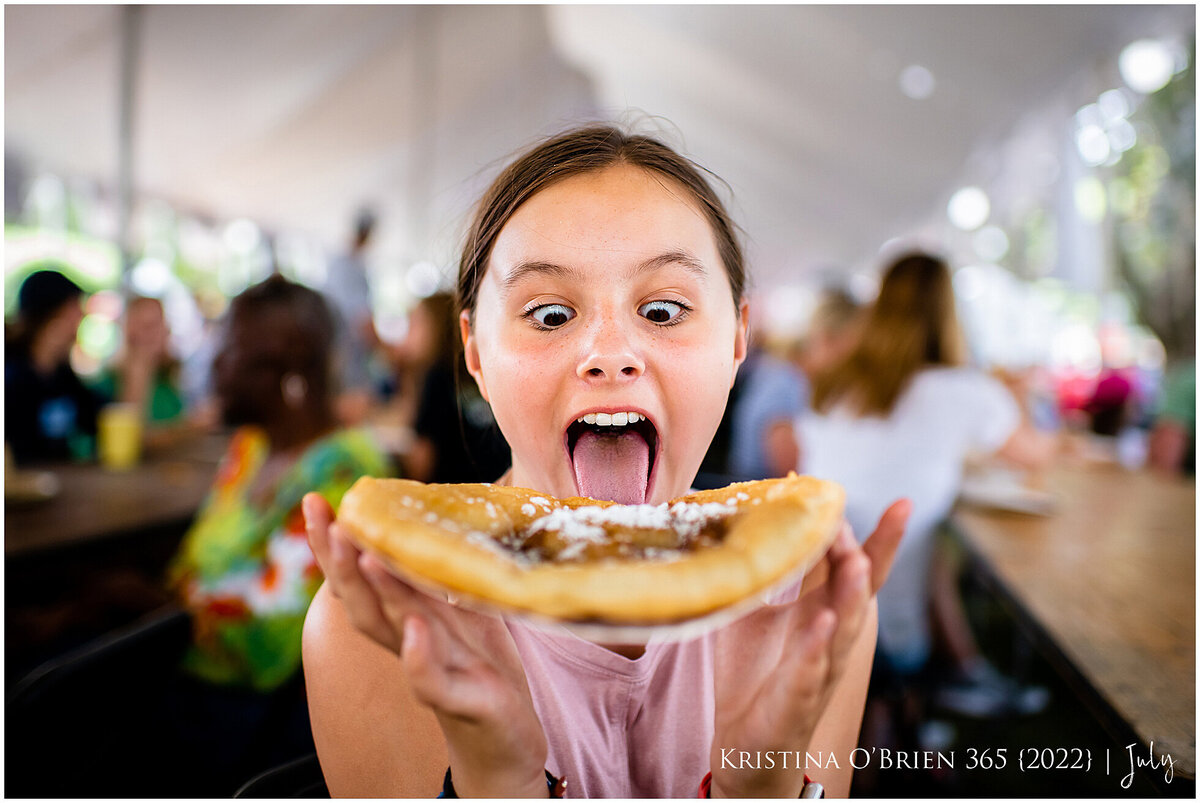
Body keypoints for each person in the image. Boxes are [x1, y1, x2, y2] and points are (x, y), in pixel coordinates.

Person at [301, 125, 910, 798]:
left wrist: (759, 786)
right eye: (553, 313)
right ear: (475, 351)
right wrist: (499, 778)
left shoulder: (807, 593)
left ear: (737, 341)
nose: (610, 351)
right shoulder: (385, 621)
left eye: (662, 308)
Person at [798, 252, 1056, 728]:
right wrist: (1019, 389)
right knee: (930, 544)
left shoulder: (835, 382)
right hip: (883, 628)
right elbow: (1035, 453)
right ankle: (943, 694)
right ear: (948, 310)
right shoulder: (965, 390)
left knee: (932, 546)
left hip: (804, 588)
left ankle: (957, 677)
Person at [165, 274, 391, 793]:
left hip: (242, 722)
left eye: (229, 350)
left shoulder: (343, 473)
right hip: (184, 675)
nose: (214, 366)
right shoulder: (251, 447)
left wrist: (155, 620)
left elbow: (269, 643)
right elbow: (192, 563)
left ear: (284, 370)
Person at [403, 292, 511, 483]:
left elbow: (422, 462)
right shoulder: (472, 371)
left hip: (455, 493)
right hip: (500, 484)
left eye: (416, 322)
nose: (408, 332)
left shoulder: (437, 377)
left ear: (435, 327)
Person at [5, 267, 107, 464]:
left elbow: (100, 416)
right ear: (53, 315)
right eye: (75, 308)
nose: (81, 317)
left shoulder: (62, 375)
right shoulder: (11, 375)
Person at [90, 295, 214, 450]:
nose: (154, 334)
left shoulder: (166, 383)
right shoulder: (104, 386)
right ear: (129, 331)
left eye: (158, 325)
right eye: (146, 326)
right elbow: (134, 443)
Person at [324, 208, 382, 424]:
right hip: (347, 365)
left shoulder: (339, 263)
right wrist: (386, 352)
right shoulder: (349, 267)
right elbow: (362, 321)